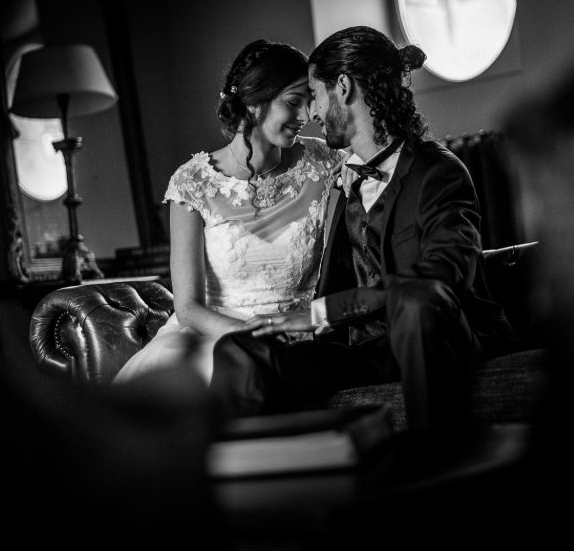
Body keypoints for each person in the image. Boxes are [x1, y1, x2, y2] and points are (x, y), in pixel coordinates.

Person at [210, 26, 519, 446]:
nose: (312, 113)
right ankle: (247, 478)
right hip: (369, 351)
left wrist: (324, 312)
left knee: (416, 300)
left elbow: (447, 275)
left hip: (439, 335)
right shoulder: (342, 180)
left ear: (343, 87)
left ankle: (436, 465)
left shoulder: (438, 171)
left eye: (315, 95)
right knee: (239, 350)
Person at [114, 39, 345, 385]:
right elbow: (188, 308)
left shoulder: (324, 162)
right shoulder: (192, 183)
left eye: (309, 101)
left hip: (302, 334)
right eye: (293, 102)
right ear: (253, 102)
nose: (306, 115)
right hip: (217, 336)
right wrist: (257, 337)